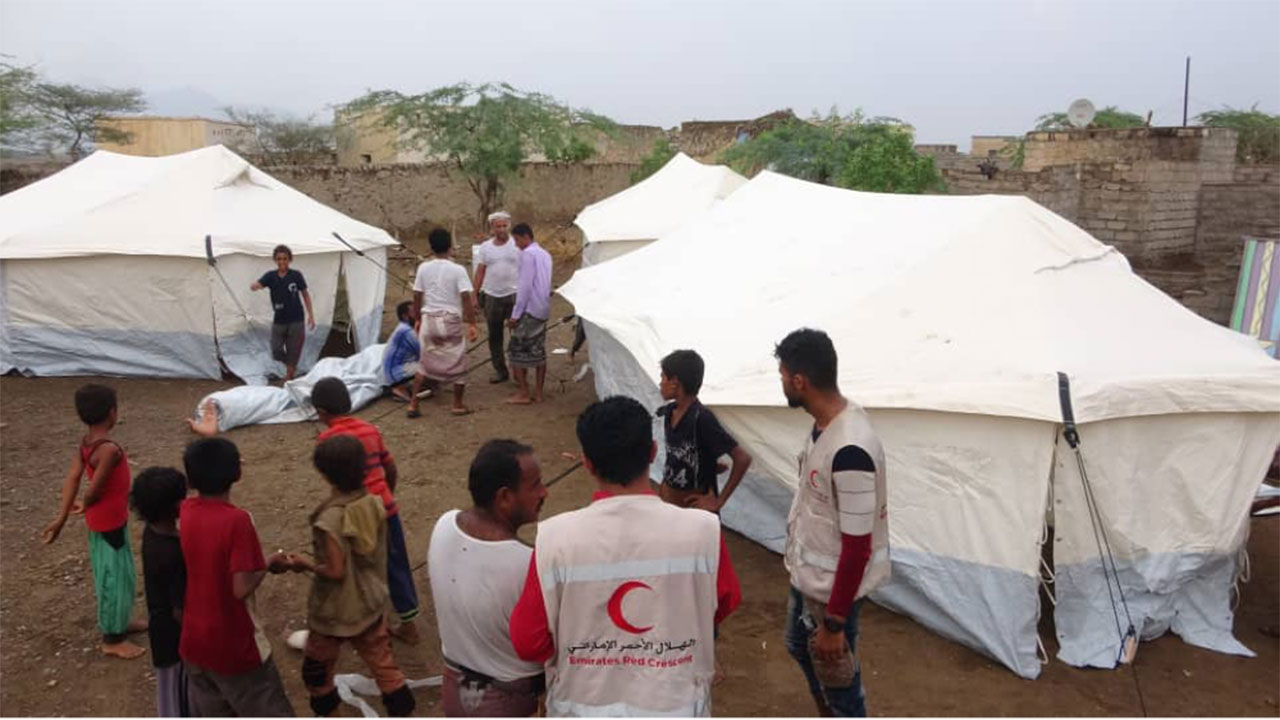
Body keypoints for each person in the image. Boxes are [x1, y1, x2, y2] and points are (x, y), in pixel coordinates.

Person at [509, 396, 741, 717]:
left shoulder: (554, 538)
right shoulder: (703, 531)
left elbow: (529, 642)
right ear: (653, 452)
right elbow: (723, 601)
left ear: (587, 463)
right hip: (676, 707)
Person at [775, 328, 890, 717]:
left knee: (839, 680)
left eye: (782, 376)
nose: (781, 383)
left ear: (799, 381)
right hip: (809, 577)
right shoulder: (824, 426)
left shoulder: (850, 450)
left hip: (832, 593)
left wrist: (835, 623)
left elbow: (857, 548)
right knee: (797, 645)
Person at [278, 435, 416, 717]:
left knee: (317, 675)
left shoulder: (330, 520)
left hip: (335, 613)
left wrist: (304, 564)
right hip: (371, 604)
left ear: (324, 473)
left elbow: (335, 571)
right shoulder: (374, 503)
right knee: (386, 670)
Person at [428, 439, 548, 716]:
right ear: (504, 497)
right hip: (507, 701)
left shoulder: (445, 524)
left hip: (455, 688)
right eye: (535, 485)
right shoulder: (528, 563)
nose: (544, 492)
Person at [179, 437, 295, 717]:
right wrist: (268, 563)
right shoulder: (237, 521)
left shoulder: (184, 511)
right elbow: (240, 588)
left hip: (194, 639)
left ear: (190, 479)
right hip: (234, 642)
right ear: (237, 473)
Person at [40, 383, 147, 660]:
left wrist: (63, 516)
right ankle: (113, 638)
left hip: (106, 520)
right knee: (113, 577)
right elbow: (94, 489)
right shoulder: (109, 449)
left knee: (121, 573)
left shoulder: (87, 444)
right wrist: (84, 504)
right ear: (112, 413)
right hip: (109, 522)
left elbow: (73, 478)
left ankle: (121, 620)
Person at [311, 377, 422, 644]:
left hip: (351, 515)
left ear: (321, 412)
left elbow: (335, 483)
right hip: (384, 509)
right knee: (396, 563)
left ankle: (361, 621)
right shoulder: (370, 430)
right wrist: (387, 495)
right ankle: (409, 624)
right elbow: (390, 468)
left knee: (357, 566)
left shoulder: (326, 440)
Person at [655, 349, 753, 513]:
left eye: (663, 377)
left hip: (693, 512)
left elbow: (742, 459)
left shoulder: (701, 418)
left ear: (674, 382)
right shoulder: (669, 412)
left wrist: (719, 501)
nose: (660, 383)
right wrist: (706, 464)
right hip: (670, 502)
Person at [130, 467, 190, 717]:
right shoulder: (174, 552)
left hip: (161, 634)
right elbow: (180, 611)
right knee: (182, 697)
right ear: (176, 505)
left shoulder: (152, 534)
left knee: (170, 694)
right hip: (176, 641)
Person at [408, 228, 479, 418]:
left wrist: (417, 319)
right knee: (459, 363)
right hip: (450, 321)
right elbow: (466, 298)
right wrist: (472, 324)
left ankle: (413, 403)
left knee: (424, 364)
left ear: (431, 248)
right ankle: (457, 404)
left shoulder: (423, 268)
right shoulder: (458, 270)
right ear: (450, 247)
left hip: (429, 320)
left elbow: (417, 295)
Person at [250, 244, 316, 382]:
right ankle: (291, 366)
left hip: (296, 319)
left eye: (285, 258)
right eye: (279, 259)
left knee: (293, 349)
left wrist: (311, 315)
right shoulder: (270, 276)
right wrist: (255, 286)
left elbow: (305, 294)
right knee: (276, 349)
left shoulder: (296, 275)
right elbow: (258, 284)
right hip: (279, 319)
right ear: (275, 260)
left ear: (289, 260)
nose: (282, 262)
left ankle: (289, 376)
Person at [505, 223, 553, 405]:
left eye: (517, 240)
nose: (516, 244)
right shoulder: (545, 254)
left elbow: (524, 287)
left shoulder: (528, 255)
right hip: (543, 308)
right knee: (538, 350)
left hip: (529, 309)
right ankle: (538, 393)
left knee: (516, 351)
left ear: (525, 237)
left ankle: (524, 393)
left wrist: (515, 315)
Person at [473, 211, 521, 384]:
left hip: (514, 294)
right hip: (492, 296)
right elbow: (480, 271)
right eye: (498, 226)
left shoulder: (517, 244)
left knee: (517, 334)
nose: (501, 229)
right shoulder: (486, 247)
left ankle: (518, 371)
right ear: (492, 228)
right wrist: (474, 294)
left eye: (504, 226)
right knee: (494, 336)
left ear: (509, 226)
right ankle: (500, 371)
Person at [381, 300, 426, 403]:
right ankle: (398, 388)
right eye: (414, 312)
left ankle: (409, 386)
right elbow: (423, 352)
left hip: (397, 368)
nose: (419, 315)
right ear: (405, 316)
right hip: (395, 372)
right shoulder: (406, 331)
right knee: (431, 366)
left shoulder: (405, 328)